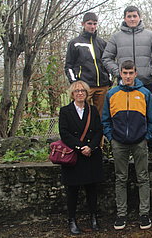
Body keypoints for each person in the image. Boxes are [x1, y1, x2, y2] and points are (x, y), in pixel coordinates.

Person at [102, 6, 152, 162]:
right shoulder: (116, 37)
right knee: (123, 117)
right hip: (123, 85)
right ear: (124, 18)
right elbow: (106, 58)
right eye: (129, 16)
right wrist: (118, 72)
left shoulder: (150, 35)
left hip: (145, 82)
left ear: (139, 17)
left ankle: (151, 149)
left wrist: (151, 71)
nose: (132, 19)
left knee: (147, 117)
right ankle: (123, 150)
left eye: (134, 16)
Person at [102, 60, 152, 230]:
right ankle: (121, 214)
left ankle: (144, 214)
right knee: (121, 178)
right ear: (120, 73)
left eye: (130, 73)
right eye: (124, 73)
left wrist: (146, 138)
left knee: (143, 177)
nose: (127, 76)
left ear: (135, 73)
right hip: (119, 143)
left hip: (139, 142)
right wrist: (111, 137)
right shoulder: (112, 94)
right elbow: (105, 120)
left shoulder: (144, 93)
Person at [59, 80, 104, 235]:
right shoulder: (65, 111)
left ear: (86, 93)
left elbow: (99, 130)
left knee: (92, 189)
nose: (80, 93)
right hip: (75, 156)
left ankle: (93, 218)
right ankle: (72, 220)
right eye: (77, 91)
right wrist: (79, 147)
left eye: (83, 91)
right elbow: (64, 133)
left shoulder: (92, 110)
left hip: (91, 154)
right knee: (73, 191)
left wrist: (90, 147)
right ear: (72, 94)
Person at [64, 12, 111, 117]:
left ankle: (100, 134)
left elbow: (107, 63)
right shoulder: (75, 43)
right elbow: (69, 66)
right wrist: (75, 83)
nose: (92, 26)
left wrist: (109, 79)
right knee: (85, 115)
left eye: (95, 24)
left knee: (102, 116)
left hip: (102, 85)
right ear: (83, 24)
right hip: (85, 86)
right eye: (89, 23)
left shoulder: (102, 43)